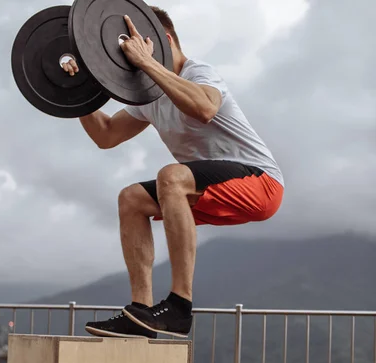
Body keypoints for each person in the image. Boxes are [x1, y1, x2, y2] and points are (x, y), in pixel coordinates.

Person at [63, 8, 284, 340]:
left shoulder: (199, 72)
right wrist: (77, 89)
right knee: (132, 199)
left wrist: (147, 64)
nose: (125, 57)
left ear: (160, 41)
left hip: (261, 182)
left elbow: (206, 108)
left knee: (172, 175)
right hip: (206, 187)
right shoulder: (149, 97)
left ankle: (179, 306)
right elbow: (106, 135)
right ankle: (141, 312)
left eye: (129, 47)